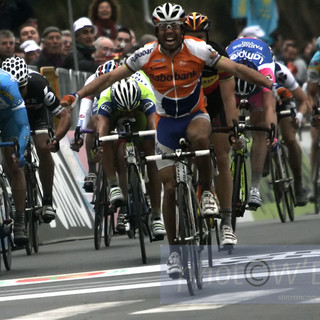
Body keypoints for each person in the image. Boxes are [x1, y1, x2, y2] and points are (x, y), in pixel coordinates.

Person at [61, 2, 279, 278]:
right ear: (157, 30)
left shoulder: (198, 49)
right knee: (170, 189)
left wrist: (270, 85)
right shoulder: (145, 54)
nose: (169, 32)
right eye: (163, 27)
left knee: (201, 135)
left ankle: (208, 191)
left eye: (174, 26)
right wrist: (78, 95)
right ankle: (174, 251)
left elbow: (234, 68)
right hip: (166, 124)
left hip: (195, 114)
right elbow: (110, 77)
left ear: (181, 28)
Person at [184, 12, 238, 246]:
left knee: (223, 156)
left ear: (207, 36)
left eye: (200, 36)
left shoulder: (217, 55)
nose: (196, 40)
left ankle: (226, 223)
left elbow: (228, 98)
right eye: (190, 36)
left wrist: (233, 126)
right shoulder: (178, 55)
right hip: (189, 107)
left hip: (215, 106)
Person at [2, 57, 71, 223]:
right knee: (9, 156)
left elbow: (64, 116)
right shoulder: (3, 87)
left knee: (43, 146)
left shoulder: (39, 86)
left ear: (27, 82)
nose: (17, 92)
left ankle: (47, 201)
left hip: (36, 116)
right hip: (12, 118)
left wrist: (56, 138)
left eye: (21, 88)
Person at [95, 74, 166, 236]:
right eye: (128, 111)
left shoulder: (146, 95)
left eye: (132, 109)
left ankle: (156, 216)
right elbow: (103, 130)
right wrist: (100, 145)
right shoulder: (106, 99)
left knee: (152, 157)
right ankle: (113, 185)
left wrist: (157, 143)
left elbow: (154, 127)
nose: (130, 113)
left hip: (141, 115)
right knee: (106, 141)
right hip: (115, 115)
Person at [226, 35, 278, 211]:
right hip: (232, 79)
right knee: (227, 123)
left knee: (260, 129)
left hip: (257, 83)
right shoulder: (227, 66)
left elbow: (270, 108)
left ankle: (254, 187)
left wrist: (273, 136)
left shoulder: (266, 71)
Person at [71, 60, 119, 193]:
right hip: (99, 107)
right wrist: (79, 135)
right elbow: (84, 112)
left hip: (119, 104)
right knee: (92, 122)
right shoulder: (92, 80)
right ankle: (92, 170)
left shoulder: (127, 79)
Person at [0, 66, 30, 245]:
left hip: (9, 117)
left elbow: (24, 125)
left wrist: (21, 150)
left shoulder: (8, 84)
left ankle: (19, 220)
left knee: (15, 164)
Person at [274, 61, 309, 205]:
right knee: (265, 135)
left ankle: (298, 184)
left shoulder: (281, 72)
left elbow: (303, 100)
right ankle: (268, 164)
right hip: (262, 104)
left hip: (285, 103)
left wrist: (299, 116)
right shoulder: (250, 73)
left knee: (289, 138)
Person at [306, 36, 320, 201]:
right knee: (315, 140)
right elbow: (310, 94)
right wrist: (314, 113)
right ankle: (313, 181)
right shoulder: (315, 62)